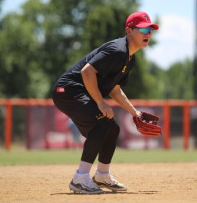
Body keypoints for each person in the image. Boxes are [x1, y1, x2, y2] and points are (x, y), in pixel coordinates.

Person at [52, 11, 158, 194]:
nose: (147, 33)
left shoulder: (129, 58)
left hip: (78, 92)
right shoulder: (117, 50)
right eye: (143, 29)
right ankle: (80, 179)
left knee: (112, 128)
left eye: (150, 29)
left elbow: (115, 89)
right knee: (101, 126)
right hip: (67, 90)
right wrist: (100, 103)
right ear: (129, 31)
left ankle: (102, 175)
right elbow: (87, 72)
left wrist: (135, 113)